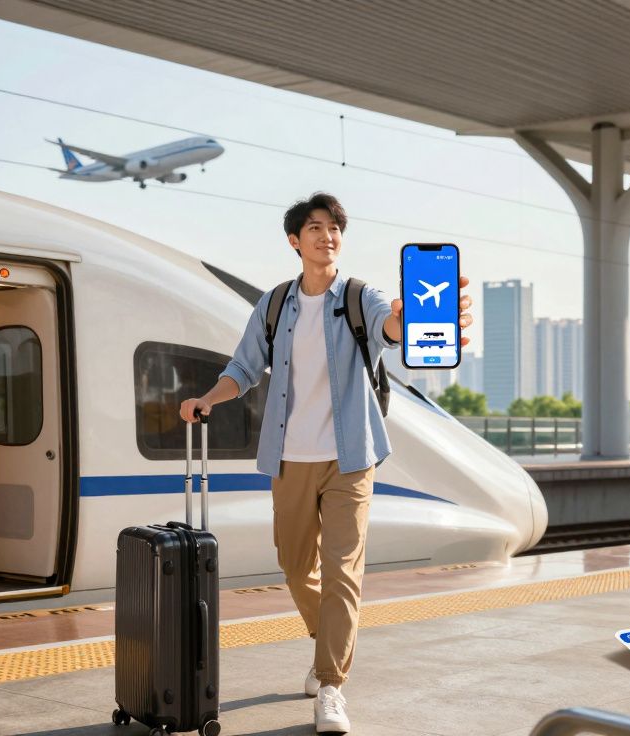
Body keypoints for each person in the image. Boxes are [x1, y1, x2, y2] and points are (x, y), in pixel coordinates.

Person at [179, 192, 473, 733]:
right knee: (295, 567)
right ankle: (327, 647)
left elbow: (390, 327)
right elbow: (243, 368)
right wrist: (207, 399)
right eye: (314, 228)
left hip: (351, 457)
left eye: (334, 227)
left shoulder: (363, 297)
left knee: (342, 573)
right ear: (295, 241)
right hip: (290, 458)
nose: (327, 235)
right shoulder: (273, 305)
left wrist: (413, 319)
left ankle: (331, 684)